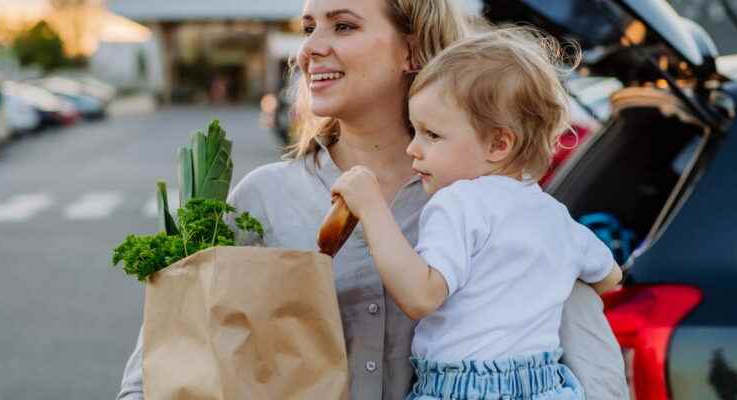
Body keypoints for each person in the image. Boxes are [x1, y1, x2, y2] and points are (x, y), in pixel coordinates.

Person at [117, 1, 628, 399]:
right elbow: (164, 360)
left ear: (411, 49)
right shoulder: (264, 199)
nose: (309, 49)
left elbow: (591, 362)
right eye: (308, 27)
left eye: (342, 26)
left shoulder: (495, 201)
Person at [330, 27, 623, 400]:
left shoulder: (460, 203)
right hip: (547, 387)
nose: (414, 150)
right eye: (415, 132)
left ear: (499, 144)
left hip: (462, 389)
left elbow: (421, 296)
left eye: (432, 135)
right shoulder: (555, 216)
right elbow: (610, 279)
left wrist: (371, 209)